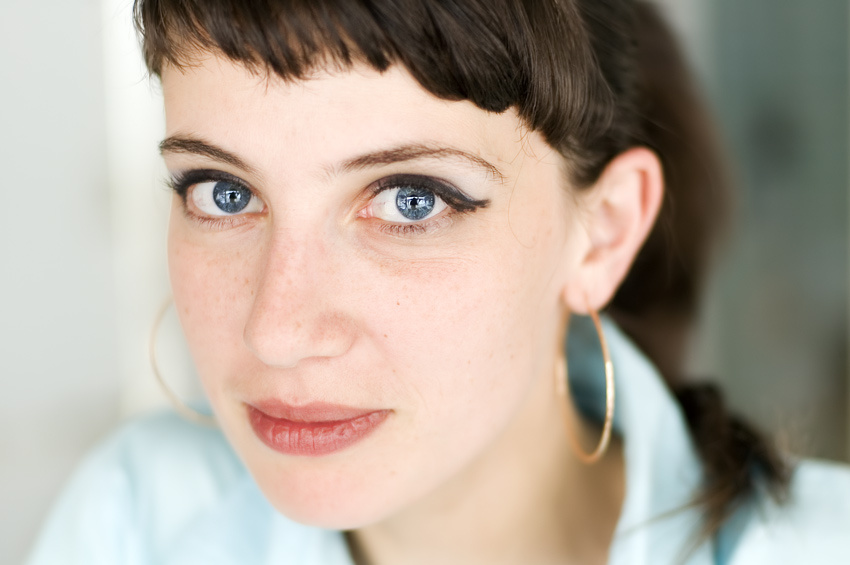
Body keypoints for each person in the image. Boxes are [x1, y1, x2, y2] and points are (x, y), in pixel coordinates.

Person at [26, 1, 850, 563]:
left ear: (602, 233)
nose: (276, 329)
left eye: (410, 200)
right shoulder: (134, 522)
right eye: (223, 193)